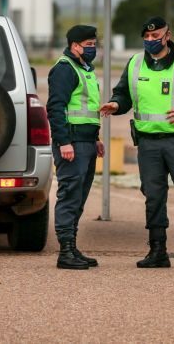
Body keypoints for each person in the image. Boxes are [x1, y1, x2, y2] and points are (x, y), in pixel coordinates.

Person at [99, 16, 174, 270]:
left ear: (167, 35)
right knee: (153, 197)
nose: (151, 41)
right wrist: (116, 104)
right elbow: (124, 93)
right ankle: (157, 251)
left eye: (156, 36)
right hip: (148, 144)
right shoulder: (134, 63)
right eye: (147, 37)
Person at [46, 24, 105, 270]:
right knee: (69, 195)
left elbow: (87, 110)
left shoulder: (85, 69)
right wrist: (64, 142)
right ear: (75, 46)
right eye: (88, 45)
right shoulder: (64, 69)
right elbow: (56, 108)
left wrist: (96, 138)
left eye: (94, 44)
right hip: (72, 143)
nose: (93, 49)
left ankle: (72, 247)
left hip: (86, 141)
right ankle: (65, 251)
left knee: (79, 196)